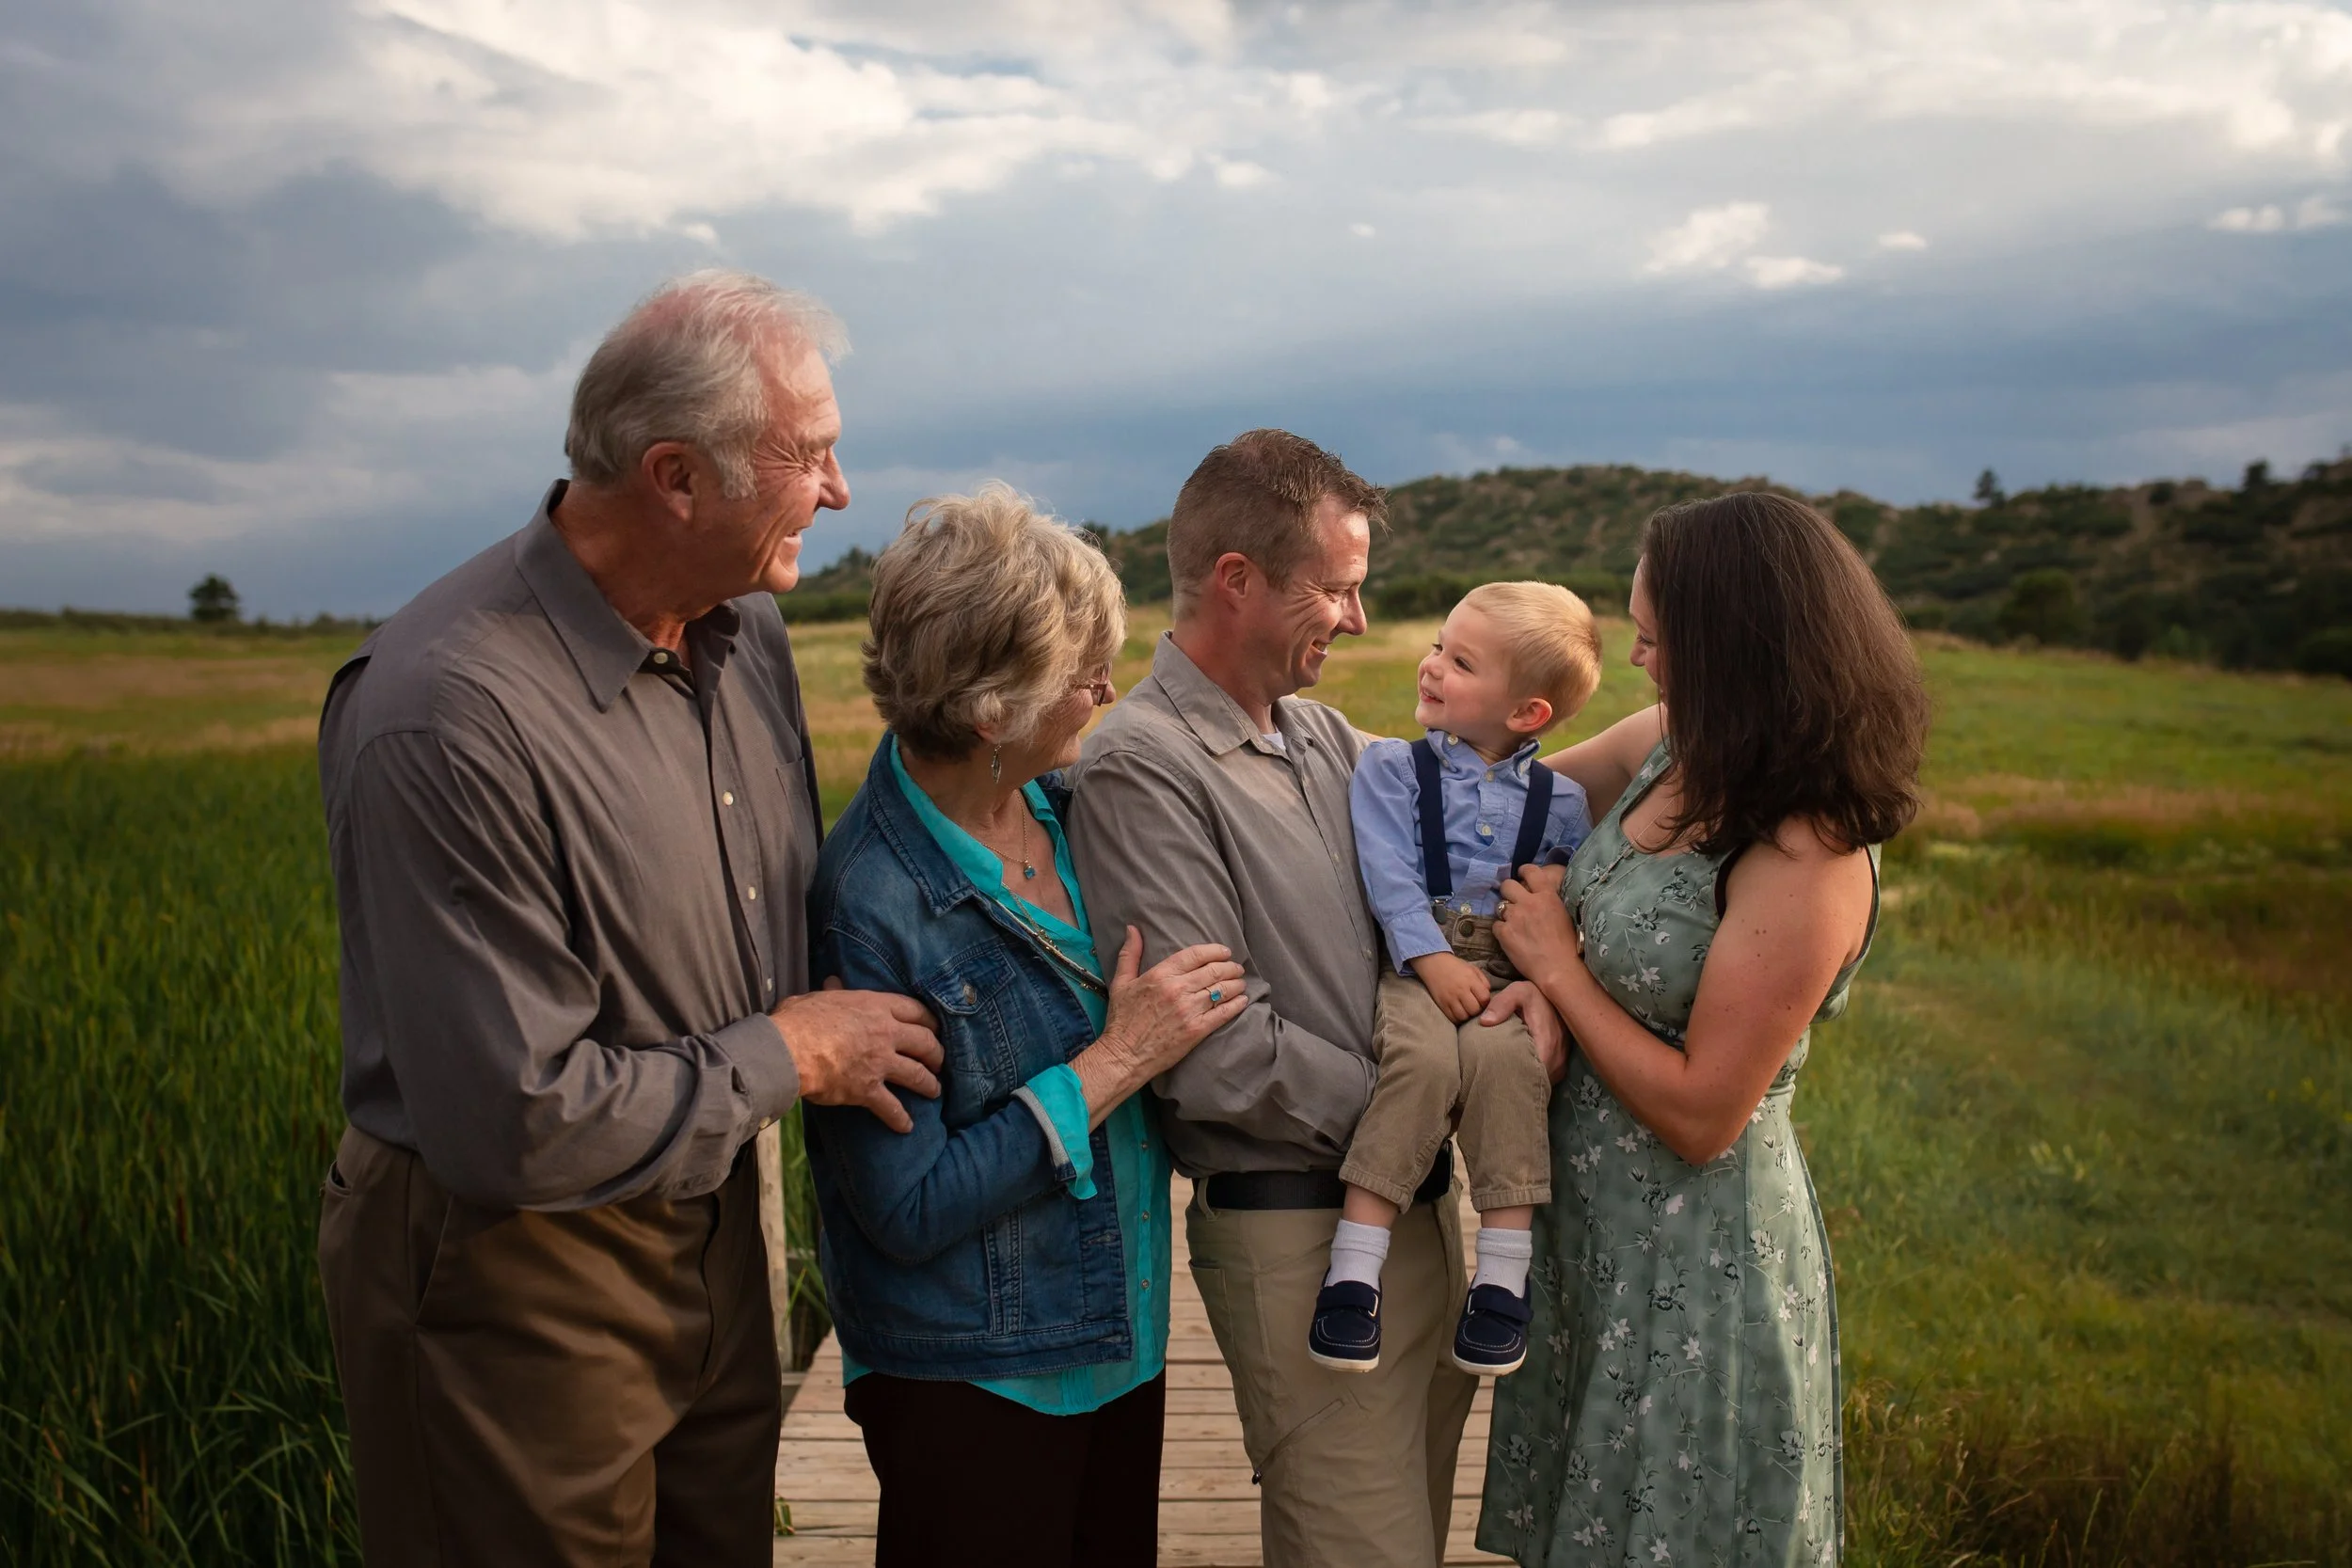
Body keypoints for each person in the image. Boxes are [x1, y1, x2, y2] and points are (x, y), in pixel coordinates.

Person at [314, 271, 946, 1568]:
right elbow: (513, 1121)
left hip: (719, 1221)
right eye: (812, 457)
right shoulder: (450, 708)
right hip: (519, 1269)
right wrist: (798, 1052)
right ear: (675, 476)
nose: (839, 493)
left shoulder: (747, 632)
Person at [1068, 429, 1565, 1568]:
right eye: (1335, 588)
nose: (1353, 617)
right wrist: (1431, 1095)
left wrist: (1694, 731)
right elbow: (1212, 1051)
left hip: (1413, 1220)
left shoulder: (1322, 737)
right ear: (1237, 579)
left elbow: (1492, 786)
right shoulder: (1146, 763)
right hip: (1294, 1237)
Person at [1475, 492, 1930, 1566]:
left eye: (1653, 635)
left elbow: (1701, 1112)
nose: (1635, 657)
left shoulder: (1807, 848)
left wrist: (1555, 967)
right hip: (1589, 1238)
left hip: (1697, 1262)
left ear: (1733, 647)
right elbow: (1500, 797)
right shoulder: (1670, 747)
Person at [804, 484, 1250, 1568]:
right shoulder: (872, 900)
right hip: (976, 1372)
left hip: (1117, 1339)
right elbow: (904, 1206)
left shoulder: (1063, 804)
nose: (1109, 688)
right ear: (991, 710)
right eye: (1084, 672)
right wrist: (1113, 1061)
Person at [1311, 583, 1602, 1381]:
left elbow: (1565, 896)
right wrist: (1430, 959)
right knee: (1421, 1062)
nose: (1430, 665)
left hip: (1507, 977)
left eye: (1461, 661)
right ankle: (1352, 1271)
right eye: (1439, 644)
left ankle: (1502, 1281)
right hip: (1418, 962)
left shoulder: (1563, 803)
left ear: (1528, 714)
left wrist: (1546, 969)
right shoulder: (1393, 770)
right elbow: (1388, 872)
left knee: (1511, 1071)